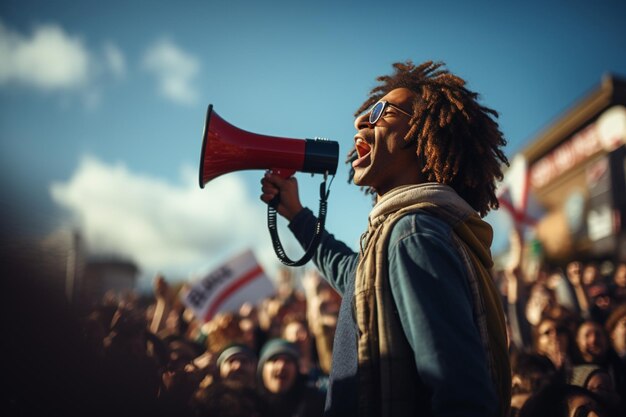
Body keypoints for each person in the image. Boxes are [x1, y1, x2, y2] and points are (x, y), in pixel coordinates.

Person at [260, 60, 511, 416]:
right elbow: (352, 274)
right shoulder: (407, 236)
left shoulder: (413, 234)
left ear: (424, 138)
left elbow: (462, 395)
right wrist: (298, 216)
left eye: (380, 111)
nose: (361, 121)